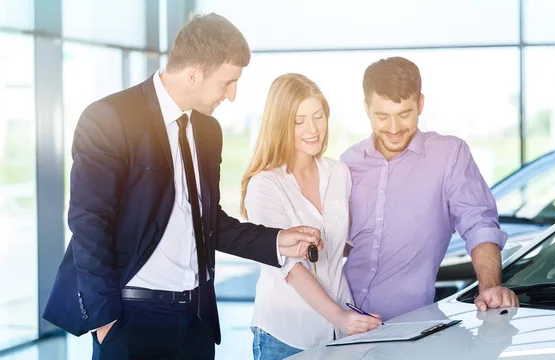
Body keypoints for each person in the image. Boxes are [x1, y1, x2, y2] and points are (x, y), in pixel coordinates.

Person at [42, 14, 322, 360]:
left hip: (196, 322)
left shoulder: (208, 132)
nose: (231, 96)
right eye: (226, 83)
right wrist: (106, 321)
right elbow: (89, 223)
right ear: (194, 74)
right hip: (130, 320)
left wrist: (277, 241)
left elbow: (210, 224)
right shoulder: (110, 117)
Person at [342, 57, 519, 322]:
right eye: (382, 116)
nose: (393, 129)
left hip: (406, 328)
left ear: (420, 104)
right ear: (366, 108)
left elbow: (478, 223)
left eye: (404, 114)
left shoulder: (449, 155)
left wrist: (489, 285)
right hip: (337, 321)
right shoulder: (349, 161)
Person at [240, 73, 382, 359]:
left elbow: (340, 244)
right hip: (287, 334)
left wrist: (351, 315)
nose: (313, 128)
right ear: (280, 124)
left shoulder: (338, 172)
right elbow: (291, 267)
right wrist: (339, 316)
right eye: (299, 120)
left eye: (318, 116)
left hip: (339, 333)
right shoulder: (265, 185)